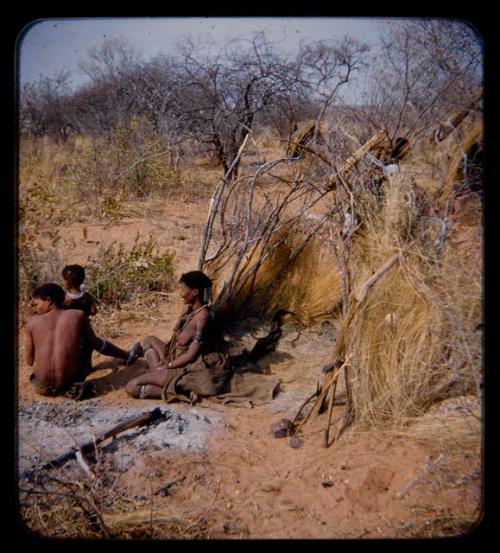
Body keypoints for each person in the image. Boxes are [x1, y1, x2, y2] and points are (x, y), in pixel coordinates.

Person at [125, 271, 226, 401]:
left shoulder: (203, 318)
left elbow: (191, 356)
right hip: (173, 358)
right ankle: (157, 371)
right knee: (149, 340)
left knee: (132, 386)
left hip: (184, 367)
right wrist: (163, 359)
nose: (180, 294)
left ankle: (181, 392)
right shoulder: (190, 310)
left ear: (195, 292)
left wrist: (168, 366)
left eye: (183, 289)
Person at [25, 283, 136, 398]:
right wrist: (125, 354)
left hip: (43, 387)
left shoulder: (32, 323)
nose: (37, 308)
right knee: (88, 342)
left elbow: (29, 361)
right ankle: (127, 355)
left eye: (37, 304)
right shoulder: (78, 315)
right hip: (72, 386)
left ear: (48, 300)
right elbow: (96, 343)